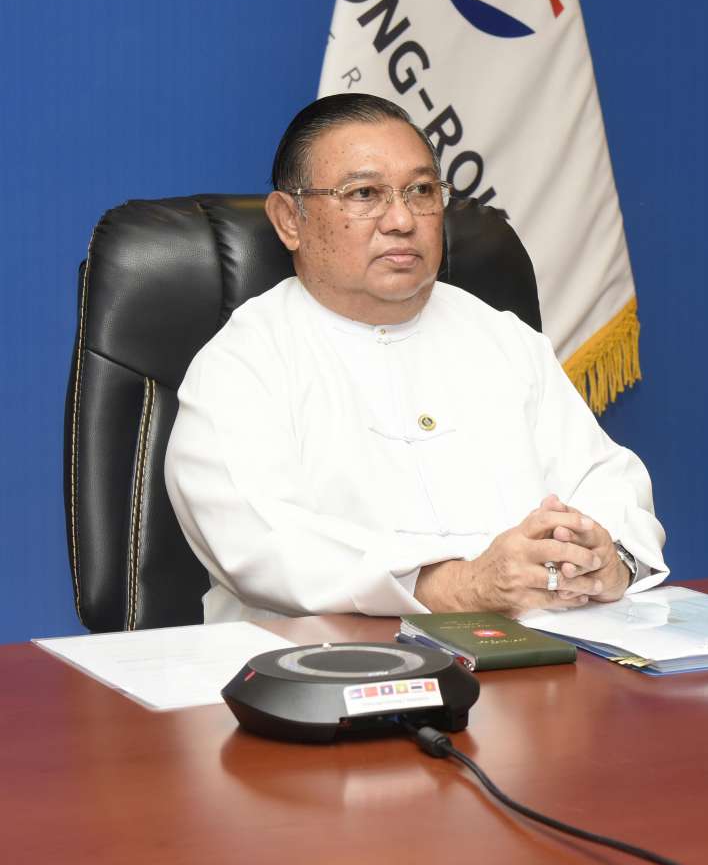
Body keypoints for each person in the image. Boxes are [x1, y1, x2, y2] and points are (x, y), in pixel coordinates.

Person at [165, 93, 666, 622]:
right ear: (290, 219)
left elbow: (607, 483)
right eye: (364, 193)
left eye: (422, 190)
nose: (402, 219)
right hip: (328, 662)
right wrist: (462, 586)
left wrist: (608, 558)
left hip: (538, 652)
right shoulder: (242, 364)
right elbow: (264, 545)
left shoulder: (503, 339)